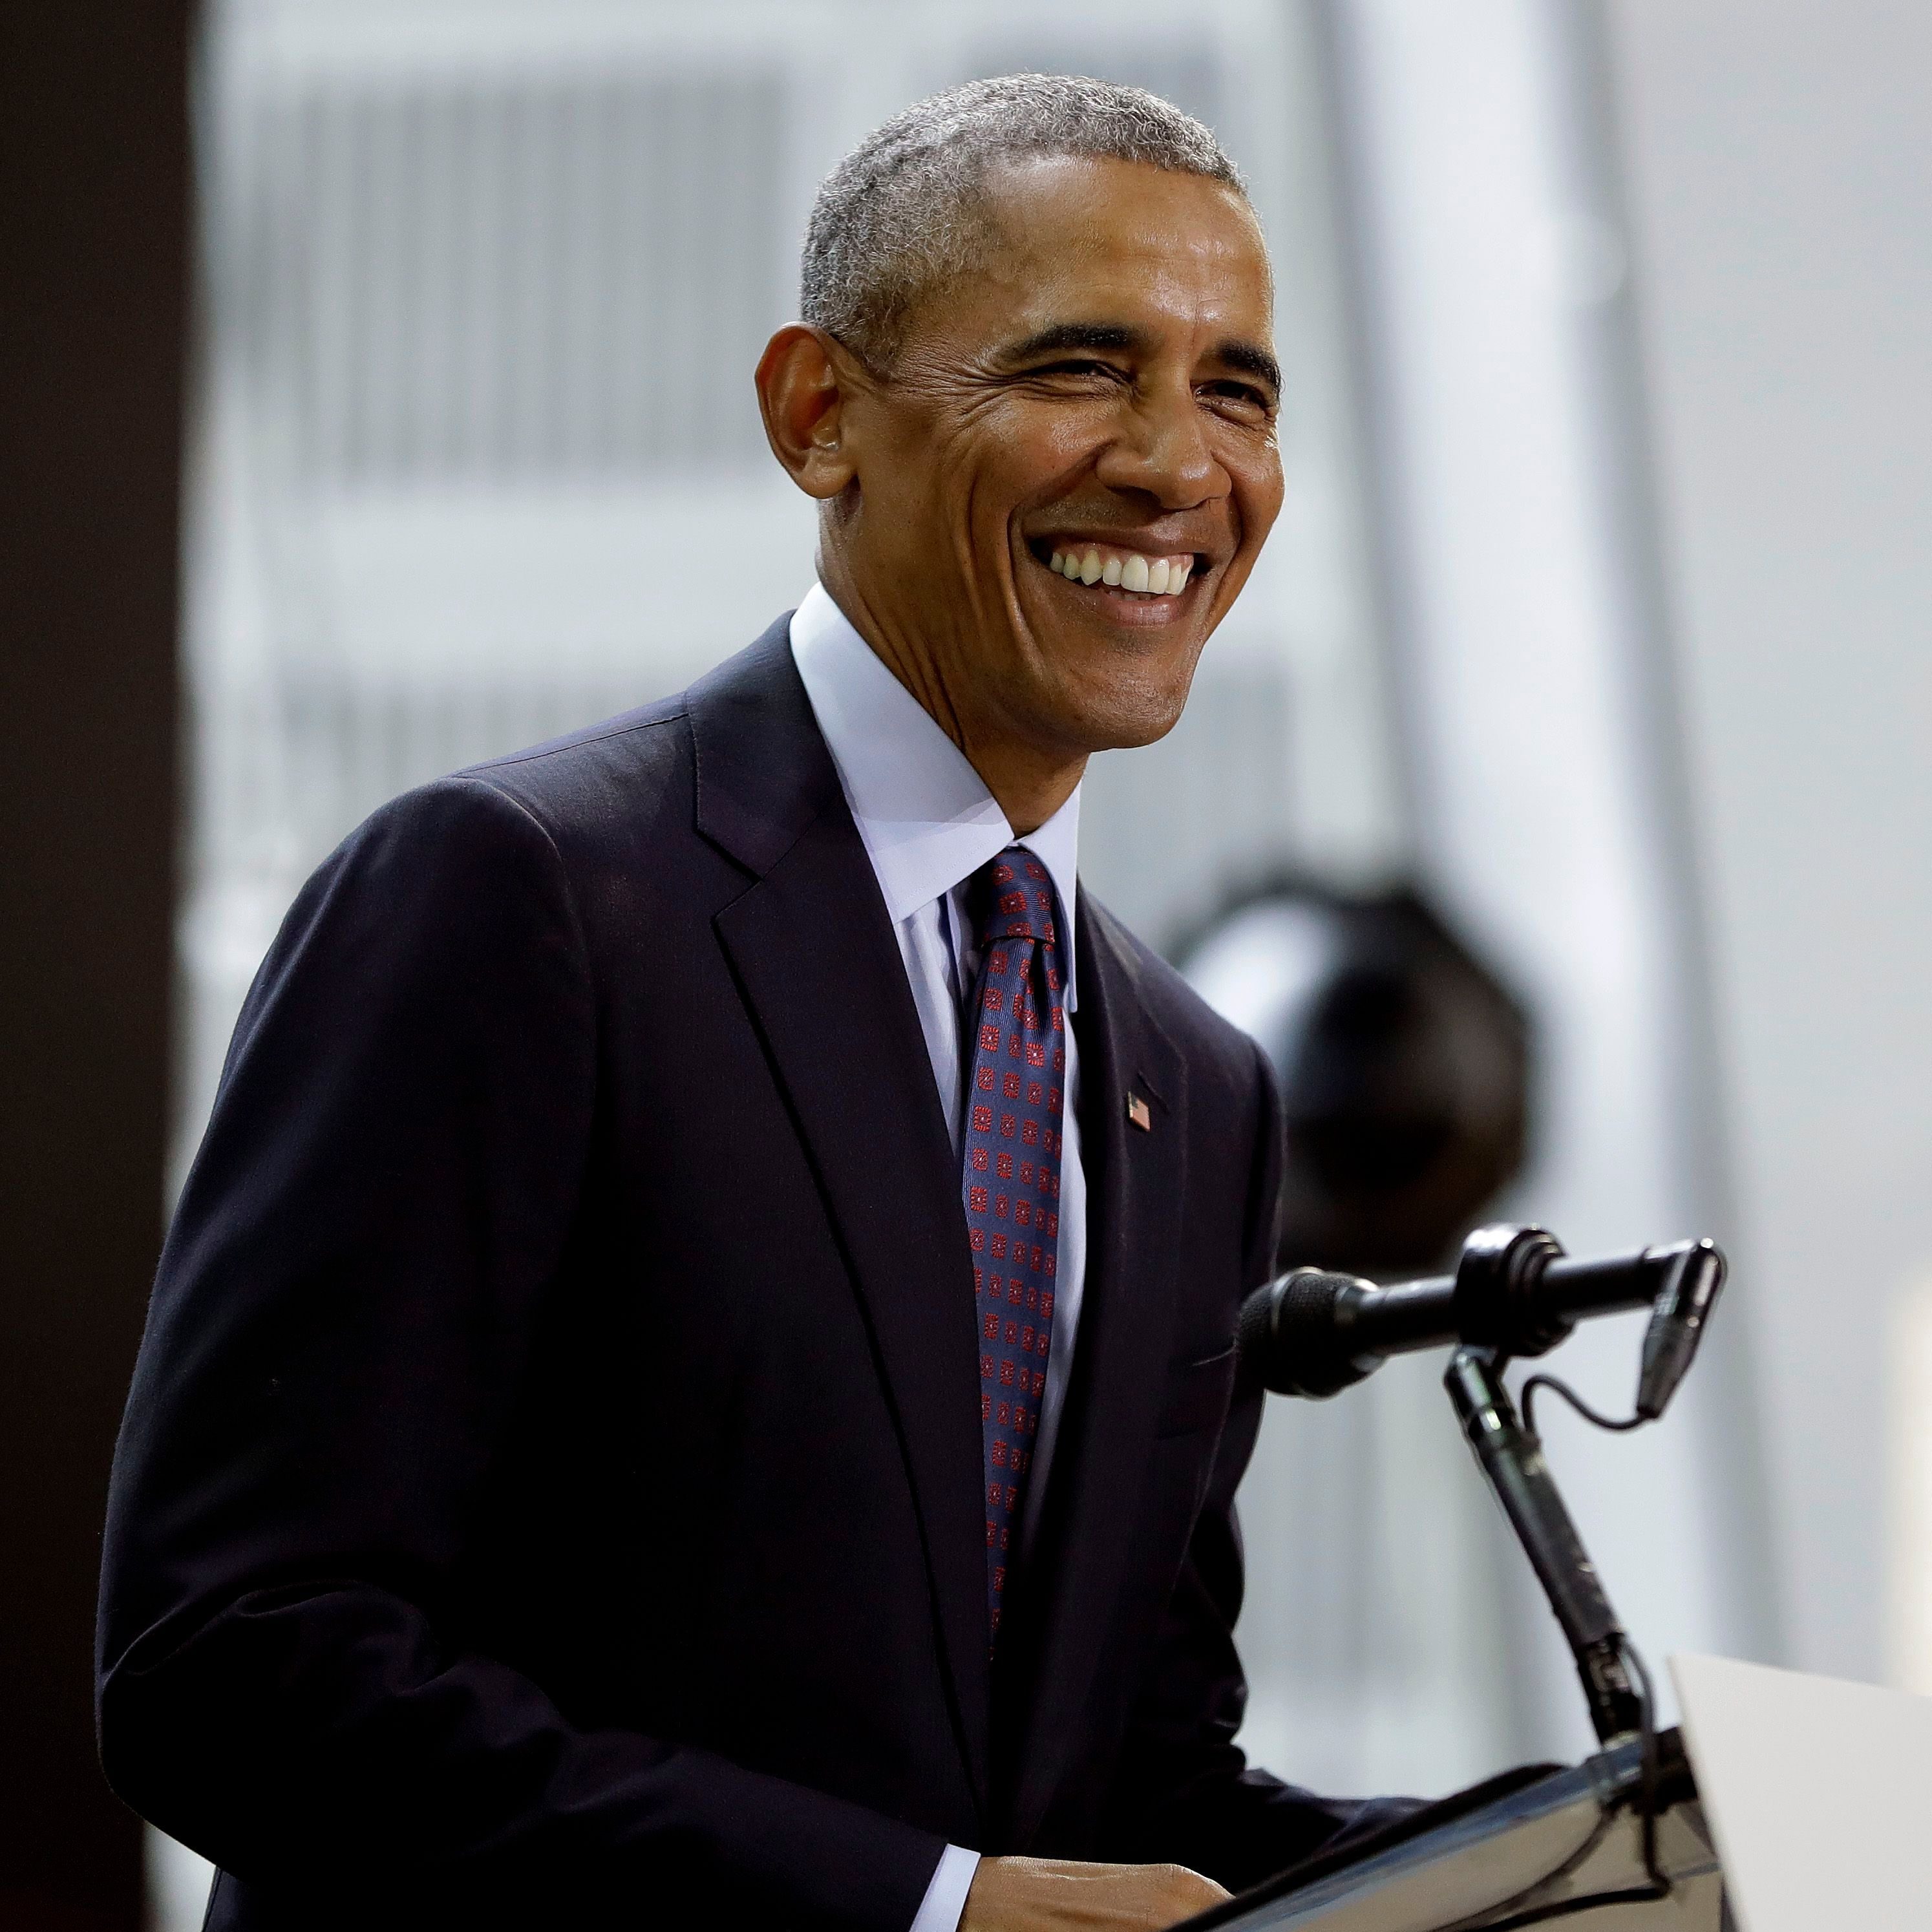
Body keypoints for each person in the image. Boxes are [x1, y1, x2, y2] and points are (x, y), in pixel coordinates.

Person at [98, 75, 1407, 1932]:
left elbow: (1131, 1781)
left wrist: (1624, 1857)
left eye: (1237, 389)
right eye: (1080, 368)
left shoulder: (1195, 1086)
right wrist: (923, 1910)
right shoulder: (513, 897)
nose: (1179, 465)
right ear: (820, 415)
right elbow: (234, 1666)